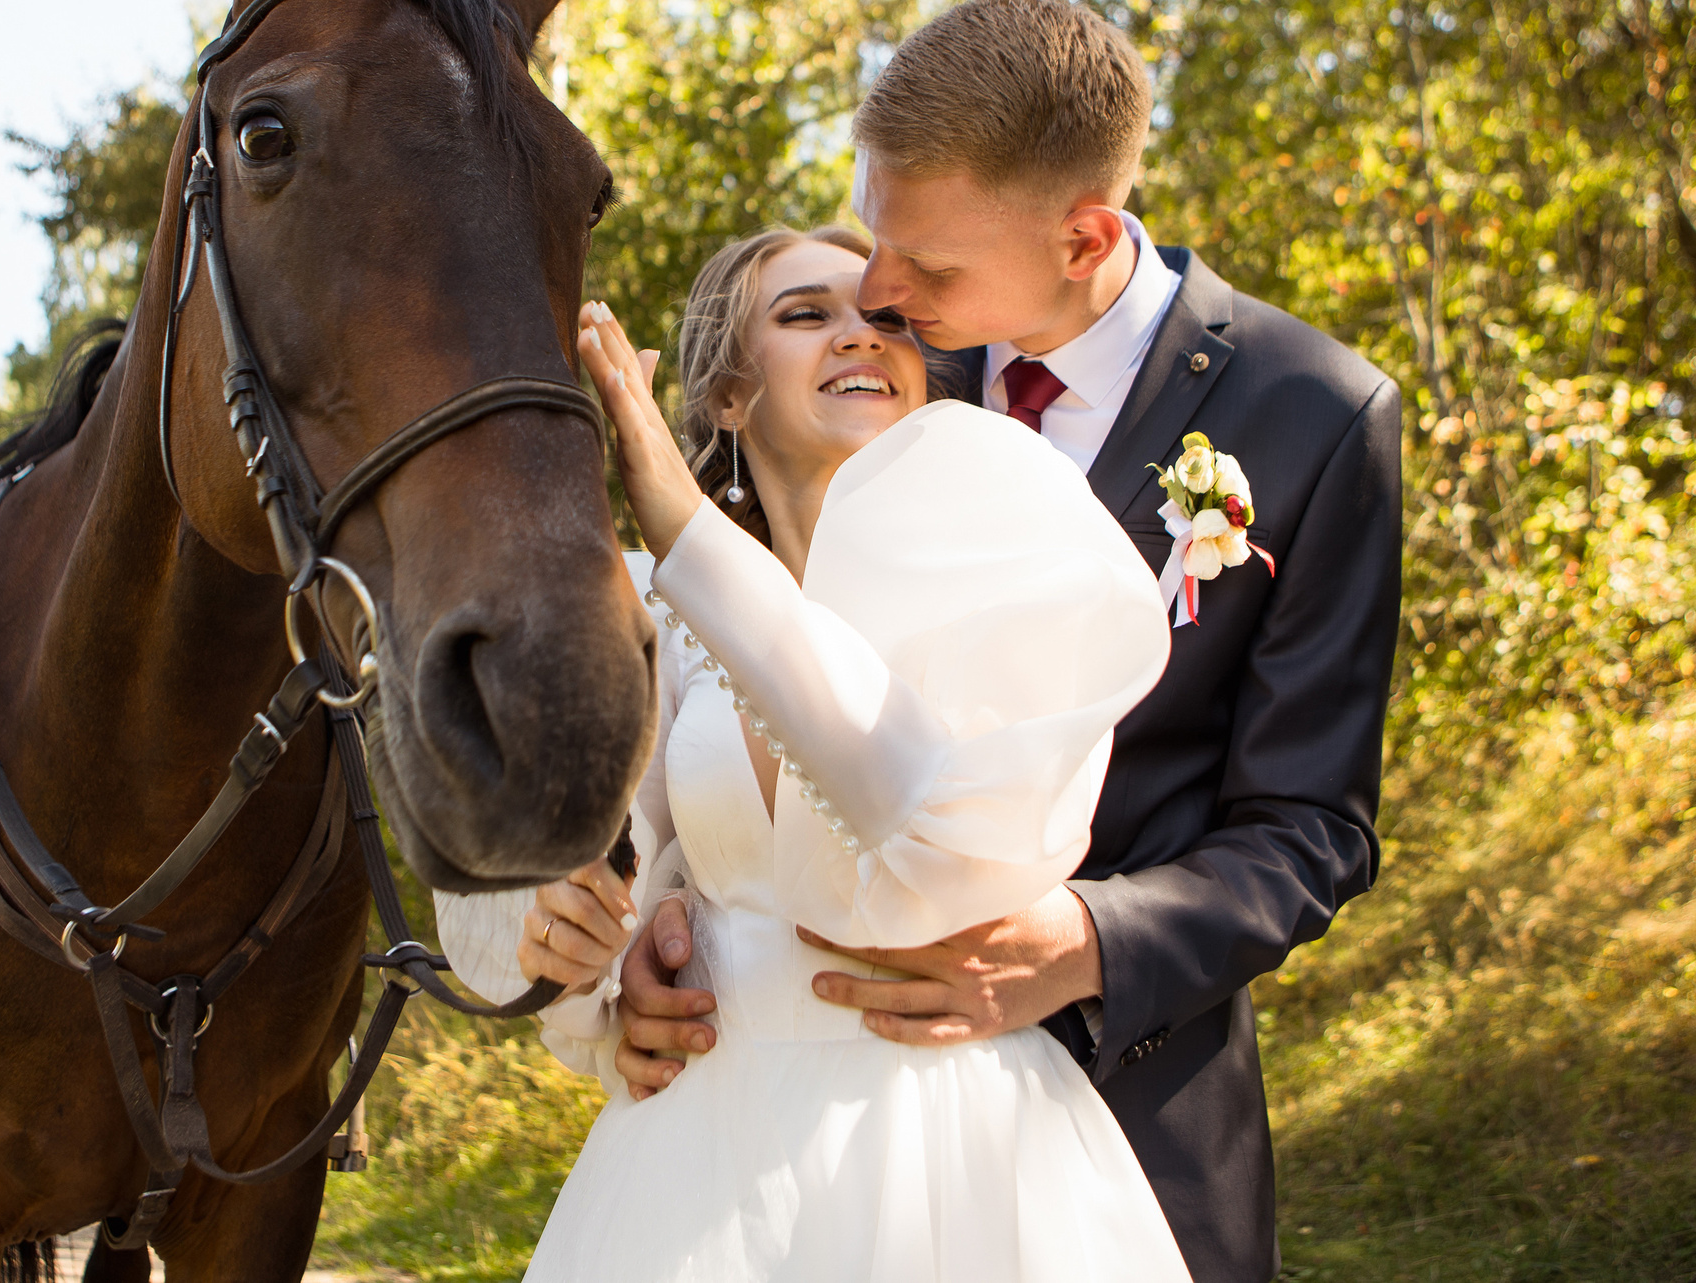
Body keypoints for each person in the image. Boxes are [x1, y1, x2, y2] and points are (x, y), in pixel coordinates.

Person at [610, 0, 1403, 1283]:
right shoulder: (898, 363)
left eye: (922, 265)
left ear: (1085, 235)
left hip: (1129, 1099)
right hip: (785, 1135)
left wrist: (1082, 944)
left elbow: (1314, 823)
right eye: (874, 244)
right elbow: (748, 698)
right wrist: (655, 948)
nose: (877, 294)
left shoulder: (1313, 412)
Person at [433, 222, 1192, 1281]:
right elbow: (528, 863)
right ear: (731, 399)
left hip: (955, 1153)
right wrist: (573, 947)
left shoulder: (1002, 557)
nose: (861, 334)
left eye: (887, 320)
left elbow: (925, 827)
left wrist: (679, 516)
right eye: (807, 314)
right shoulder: (656, 608)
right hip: (697, 1165)